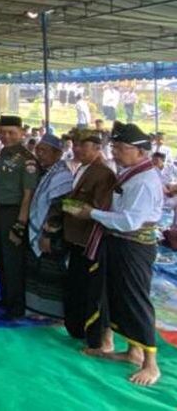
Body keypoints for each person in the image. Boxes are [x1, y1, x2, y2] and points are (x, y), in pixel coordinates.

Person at [64, 122, 162, 386]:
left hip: (133, 245)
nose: (115, 153)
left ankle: (151, 365)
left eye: (120, 148)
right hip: (119, 243)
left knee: (135, 298)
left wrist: (91, 213)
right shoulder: (131, 172)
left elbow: (130, 221)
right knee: (117, 296)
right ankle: (132, 351)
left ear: (139, 151)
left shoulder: (143, 181)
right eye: (114, 147)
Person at [61, 129, 116, 354]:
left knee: (90, 289)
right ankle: (78, 328)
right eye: (76, 144)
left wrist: (68, 206)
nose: (77, 149)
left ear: (97, 148)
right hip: (74, 237)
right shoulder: (84, 168)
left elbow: (98, 209)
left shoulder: (103, 173)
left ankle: (96, 337)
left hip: (89, 240)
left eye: (83, 146)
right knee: (75, 285)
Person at [0, 114, 39, 320]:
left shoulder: (27, 159)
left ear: (22, 133)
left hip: (13, 212)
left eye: (11, 133)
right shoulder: (3, 152)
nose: (6, 136)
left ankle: (16, 307)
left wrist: (20, 224)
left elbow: (28, 194)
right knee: (1, 257)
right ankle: (6, 298)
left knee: (13, 261)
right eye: (3, 132)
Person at [25, 134, 74, 319]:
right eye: (38, 150)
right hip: (40, 230)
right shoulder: (46, 171)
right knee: (36, 270)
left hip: (52, 234)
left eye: (44, 151)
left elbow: (58, 207)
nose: (40, 154)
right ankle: (38, 309)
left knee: (50, 273)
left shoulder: (62, 175)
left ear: (57, 153)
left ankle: (52, 313)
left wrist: (48, 234)